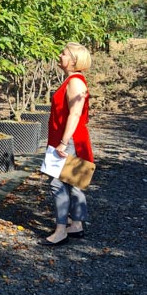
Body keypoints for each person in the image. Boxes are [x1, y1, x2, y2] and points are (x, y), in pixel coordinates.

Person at [45, 42, 94, 245]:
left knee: (57, 183)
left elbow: (74, 113)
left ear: (74, 60)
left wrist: (63, 143)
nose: (60, 55)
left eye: (63, 53)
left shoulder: (75, 81)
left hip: (68, 139)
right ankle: (76, 225)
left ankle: (61, 230)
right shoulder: (75, 80)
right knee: (74, 184)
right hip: (72, 137)